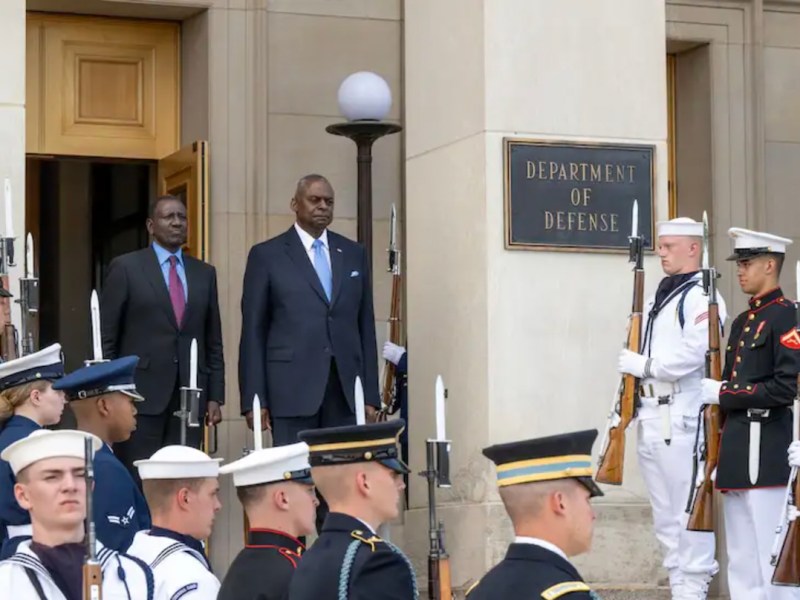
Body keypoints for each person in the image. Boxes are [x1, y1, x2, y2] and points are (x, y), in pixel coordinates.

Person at [616, 217, 726, 598]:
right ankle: (681, 588)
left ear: (693, 248)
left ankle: (692, 589)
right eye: (659, 246)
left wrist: (646, 366)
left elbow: (696, 351)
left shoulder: (701, 295)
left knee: (687, 512)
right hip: (651, 412)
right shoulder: (658, 296)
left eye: (668, 246)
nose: (660, 252)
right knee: (665, 519)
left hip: (681, 415)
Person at [238, 174, 380, 446]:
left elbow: (365, 326)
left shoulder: (352, 253)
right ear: (295, 204)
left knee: (341, 482)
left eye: (329, 201)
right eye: (314, 200)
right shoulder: (267, 255)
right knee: (296, 482)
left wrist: (370, 394)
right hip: (291, 392)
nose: (323, 206)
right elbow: (254, 332)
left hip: (346, 392)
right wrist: (254, 399)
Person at [700, 228, 800, 600]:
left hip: (769, 447)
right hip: (739, 448)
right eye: (739, 264)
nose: (740, 271)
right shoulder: (743, 322)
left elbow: (786, 387)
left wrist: (725, 393)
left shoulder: (787, 317)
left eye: (747, 263)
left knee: (770, 556)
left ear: (770, 265)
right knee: (740, 560)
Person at [100, 194, 225, 476]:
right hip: (139, 396)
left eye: (182, 217)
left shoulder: (204, 273)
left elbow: (213, 339)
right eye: (169, 217)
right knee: (141, 477)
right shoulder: (127, 268)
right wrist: (111, 392)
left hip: (190, 396)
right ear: (150, 225)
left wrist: (215, 395)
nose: (177, 222)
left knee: (184, 479)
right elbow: (108, 337)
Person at [0, 429, 154, 599]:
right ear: (23, 495)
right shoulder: (6, 583)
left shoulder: (134, 575)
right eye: (52, 477)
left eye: (81, 475)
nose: (70, 486)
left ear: (92, 487)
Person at [466, 430, 602, 600]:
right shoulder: (568, 596)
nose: (592, 514)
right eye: (587, 500)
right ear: (560, 503)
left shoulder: (480, 592)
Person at [288, 420, 417, 600]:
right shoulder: (377, 562)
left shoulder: (308, 560)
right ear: (364, 482)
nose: (401, 484)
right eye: (393, 475)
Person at [52, 355, 151, 552]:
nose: (134, 411)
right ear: (104, 406)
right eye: (130, 401)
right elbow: (119, 549)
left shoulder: (67, 460)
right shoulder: (106, 469)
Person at [218, 442, 318, 600]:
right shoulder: (296, 573)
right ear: (283, 499)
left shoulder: (237, 570)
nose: (316, 501)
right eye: (309, 491)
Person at [127, 445, 223, 599]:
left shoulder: (126, 563)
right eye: (212, 494)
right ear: (185, 498)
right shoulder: (192, 579)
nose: (218, 505)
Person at [0, 344, 65, 559]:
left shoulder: (6, 437)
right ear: (36, 397)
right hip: (35, 552)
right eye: (58, 390)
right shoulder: (38, 444)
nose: (64, 399)